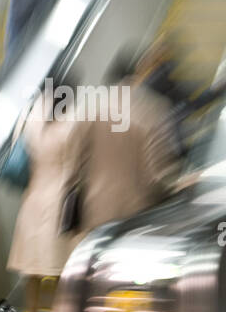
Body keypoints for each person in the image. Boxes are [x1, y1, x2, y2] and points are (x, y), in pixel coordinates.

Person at [6, 84, 82, 312]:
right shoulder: (71, 119)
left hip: (34, 195)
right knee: (61, 265)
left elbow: (19, 148)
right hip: (60, 197)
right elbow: (76, 163)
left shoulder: (31, 114)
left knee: (33, 265)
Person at [76, 61, 182, 236]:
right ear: (135, 78)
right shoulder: (151, 108)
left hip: (95, 210)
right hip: (139, 212)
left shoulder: (89, 111)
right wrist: (175, 187)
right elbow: (159, 173)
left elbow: (77, 163)